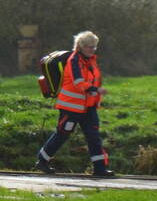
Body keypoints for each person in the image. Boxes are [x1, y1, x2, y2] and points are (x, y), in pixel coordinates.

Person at [35, 31, 114, 178]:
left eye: (94, 47)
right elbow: (78, 82)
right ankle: (42, 160)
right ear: (81, 46)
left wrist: (94, 93)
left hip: (88, 106)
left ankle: (100, 169)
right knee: (62, 134)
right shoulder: (74, 61)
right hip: (71, 107)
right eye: (90, 47)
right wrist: (95, 90)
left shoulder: (90, 61)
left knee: (93, 136)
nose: (92, 50)